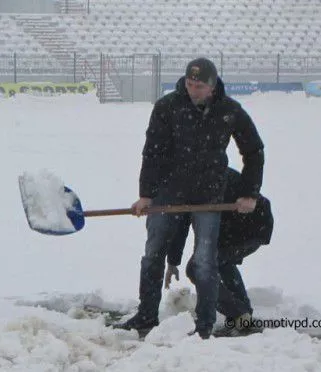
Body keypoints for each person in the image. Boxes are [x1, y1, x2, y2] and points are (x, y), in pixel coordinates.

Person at [115, 57, 265, 339]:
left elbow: (254, 151)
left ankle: (205, 325)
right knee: (152, 254)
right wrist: (146, 195)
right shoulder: (168, 107)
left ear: (211, 86)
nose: (192, 90)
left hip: (210, 194)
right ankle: (146, 315)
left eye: (198, 86)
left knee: (205, 260)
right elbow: (153, 152)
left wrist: (249, 194)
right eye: (188, 83)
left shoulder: (229, 111)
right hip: (169, 190)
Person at [163, 167, 273, 336]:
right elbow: (183, 224)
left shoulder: (204, 176)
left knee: (197, 268)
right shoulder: (190, 180)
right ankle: (243, 315)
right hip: (241, 228)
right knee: (219, 262)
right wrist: (173, 261)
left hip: (248, 225)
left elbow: (192, 224)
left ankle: (238, 314)